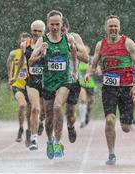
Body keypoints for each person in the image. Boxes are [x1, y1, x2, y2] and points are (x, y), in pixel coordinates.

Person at [85, 15, 135, 165]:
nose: (113, 29)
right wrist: (89, 73)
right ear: (105, 28)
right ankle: (111, 154)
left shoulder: (128, 43)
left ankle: (128, 116)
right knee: (110, 120)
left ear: (119, 28)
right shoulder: (101, 45)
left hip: (126, 89)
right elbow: (94, 65)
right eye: (110, 26)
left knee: (125, 128)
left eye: (115, 26)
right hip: (109, 89)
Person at [30, 10, 77, 159]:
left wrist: (74, 70)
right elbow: (31, 60)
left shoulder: (68, 39)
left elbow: (75, 54)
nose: (55, 27)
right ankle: (50, 141)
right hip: (48, 83)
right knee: (49, 119)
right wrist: (41, 54)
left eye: (57, 24)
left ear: (62, 24)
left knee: (58, 106)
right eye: (52, 24)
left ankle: (57, 142)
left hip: (64, 81)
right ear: (48, 24)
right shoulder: (42, 40)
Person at [10, 20, 46, 150]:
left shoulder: (47, 44)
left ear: (43, 32)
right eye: (34, 30)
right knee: (35, 109)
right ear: (31, 31)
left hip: (46, 81)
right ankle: (33, 138)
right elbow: (21, 61)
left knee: (44, 113)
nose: (36, 33)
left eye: (39, 31)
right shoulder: (25, 45)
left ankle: (41, 122)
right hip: (32, 81)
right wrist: (14, 76)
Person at [61, 17, 88, 142]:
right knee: (54, 108)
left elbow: (85, 58)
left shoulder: (74, 37)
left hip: (72, 80)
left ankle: (71, 126)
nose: (59, 31)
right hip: (55, 80)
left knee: (70, 112)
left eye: (62, 29)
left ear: (67, 28)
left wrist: (71, 49)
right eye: (55, 27)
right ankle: (55, 137)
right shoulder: (47, 39)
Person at [6, 32, 31, 146]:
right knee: (22, 105)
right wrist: (10, 77)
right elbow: (9, 62)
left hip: (31, 86)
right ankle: (21, 128)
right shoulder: (14, 53)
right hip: (18, 85)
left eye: (26, 41)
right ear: (19, 41)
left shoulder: (33, 53)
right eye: (22, 41)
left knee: (30, 112)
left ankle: (29, 131)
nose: (24, 43)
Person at [78, 45, 101, 128]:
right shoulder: (78, 60)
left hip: (91, 84)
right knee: (83, 100)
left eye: (85, 51)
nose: (84, 52)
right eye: (82, 51)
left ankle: (87, 115)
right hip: (81, 84)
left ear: (88, 52)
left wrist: (94, 71)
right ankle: (82, 120)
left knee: (89, 104)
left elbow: (98, 71)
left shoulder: (92, 60)